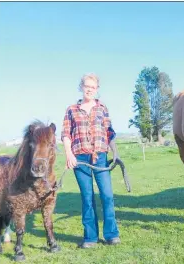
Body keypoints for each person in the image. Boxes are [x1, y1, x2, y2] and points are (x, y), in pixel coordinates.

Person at [62, 73, 121, 248]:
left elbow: (109, 132)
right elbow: (66, 134)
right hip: (80, 158)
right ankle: (90, 237)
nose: (89, 89)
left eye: (93, 87)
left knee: (107, 195)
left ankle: (111, 234)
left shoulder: (102, 108)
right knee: (87, 197)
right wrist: (69, 154)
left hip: (100, 157)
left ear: (97, 90)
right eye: (87, 86)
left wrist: (115, 152)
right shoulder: (71, 110)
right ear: (82, 87)